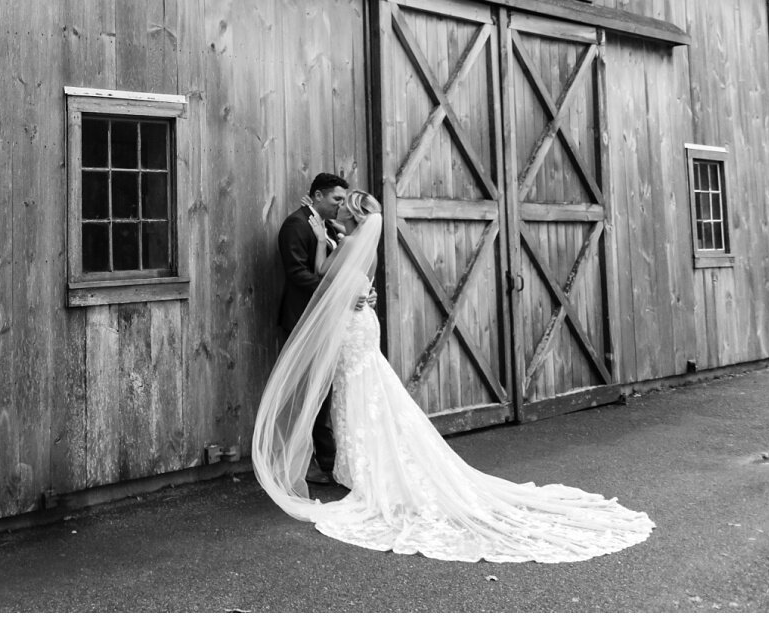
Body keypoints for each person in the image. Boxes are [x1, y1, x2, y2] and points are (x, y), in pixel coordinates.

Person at [253, 190, 654, 563]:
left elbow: (325, 274)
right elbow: (349, 275)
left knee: (356, 393)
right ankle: (359, 461)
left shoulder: (349, 245)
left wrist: (326, 243)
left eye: (344, 208)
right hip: (362, 324)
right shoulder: (364, 245)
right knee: (365, 392)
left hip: (351, 327)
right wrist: (339, 244)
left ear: (353, 217)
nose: (339, 211)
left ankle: (363, 465)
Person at [275, 173, 372, 484]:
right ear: (317, 196)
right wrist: (342, 295)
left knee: (328, 391)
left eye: (344, 201)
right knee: (312, 392)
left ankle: (329, 460)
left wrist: (362, 290)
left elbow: (349, 265)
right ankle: (315, 463)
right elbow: (297, 274)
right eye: (336, 199)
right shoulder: (296, 224)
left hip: (333, 320)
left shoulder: (331, 227)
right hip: (305, 319)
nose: (340, 205)